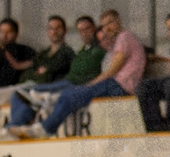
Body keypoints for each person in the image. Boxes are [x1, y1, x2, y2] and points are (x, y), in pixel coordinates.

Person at [10, 9, 145, 140]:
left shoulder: (124, 37)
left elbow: (113, 70)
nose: (107, 28)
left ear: (118, 21)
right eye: (104, 25)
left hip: (118, 85)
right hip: (117, 85)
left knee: (70, 96)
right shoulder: (122, 41)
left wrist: (92, 84)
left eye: (110, 22)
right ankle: (46, 110)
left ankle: (45, 127)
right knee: (68, 95)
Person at [0, 16, 105, 140]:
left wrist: (42, 72)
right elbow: (32, 68)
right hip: (58, 83)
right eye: (81, 30)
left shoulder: (71, 52)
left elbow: (48, 72)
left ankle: (13, 127)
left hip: (65, 85)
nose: (84, 33)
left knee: (29, 94)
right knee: (19, 93)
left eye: (87, 29)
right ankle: (13, 128)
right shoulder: (81, 51)